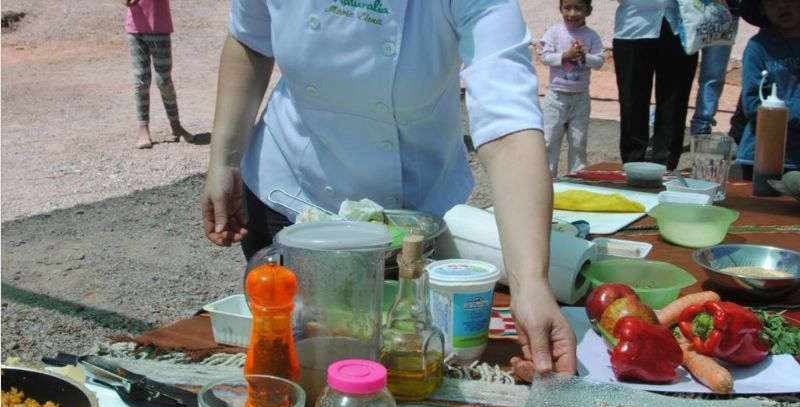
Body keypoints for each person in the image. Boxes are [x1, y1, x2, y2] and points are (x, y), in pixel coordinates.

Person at [201, 1, 577, 378]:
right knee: (293, 371)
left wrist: (530, 282)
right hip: (293, 193)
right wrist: (224, 159)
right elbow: (250, 41)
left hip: (407, 226)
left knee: (399, 368)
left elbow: (509, 124)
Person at [612, 0, 699, 170]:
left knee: (674, 102)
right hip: (634, 26)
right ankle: (633, 164)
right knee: (632, 100)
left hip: (679, 25)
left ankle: (666, 165)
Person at [735, 0, 799, 179]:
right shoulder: (758, 48)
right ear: (762, 8)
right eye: (772, 2)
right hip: (763, 158)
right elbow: (753, 104)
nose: (782, 6)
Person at [540, 0, 605, 177]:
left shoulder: (591, 36)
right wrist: (566, 55)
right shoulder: (554, 32)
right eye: (567, 8)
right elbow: (545, 57)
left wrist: (585, 58)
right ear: (560, 9)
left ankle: (577, 179)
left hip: (580, 98)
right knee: (549, 141)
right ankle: (547, 182)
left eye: (578, 8)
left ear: (588, 11)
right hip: (556, 96)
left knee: (578, 142)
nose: (572, 13)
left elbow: (599, 61)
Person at [122, 0, 193, 149]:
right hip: (135, 28)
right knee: (141, 80)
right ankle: (143, 130)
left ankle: (175, 124)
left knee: (164, 81)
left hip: (159, 26)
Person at [690, 1, 741, 137]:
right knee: (676, 73)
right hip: (689, 9)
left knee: (714, 75)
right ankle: (665, 122)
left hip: (724, 11)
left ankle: (702, 125)